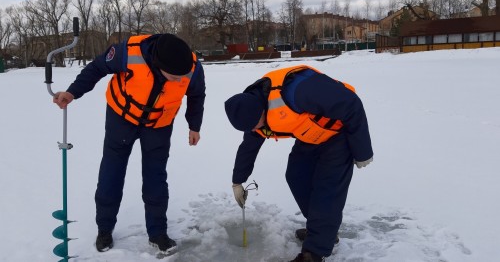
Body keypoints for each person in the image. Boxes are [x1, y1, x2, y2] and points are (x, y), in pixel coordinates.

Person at [53, 33, 206, 254]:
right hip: (121, 119)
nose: (177, 80)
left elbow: (197, 94)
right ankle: (104, 230)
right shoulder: (127, 53)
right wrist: (72, 92)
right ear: (158, 64)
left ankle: (157, 233)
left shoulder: (191, 66)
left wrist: (194, 126)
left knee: (156, 178)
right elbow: (96, 68)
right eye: (173, 76)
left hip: (159, 124)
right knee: (111, 174)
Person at [224, 65, 373, 262]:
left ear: (260, 109)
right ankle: (321, 231)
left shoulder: (297, 90)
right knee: (296, 175)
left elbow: (351, 103)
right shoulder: (252, 109)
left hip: (339, 135)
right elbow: (249, 146)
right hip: (311, 137)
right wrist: (237, 181)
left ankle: (314, 252)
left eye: (256, 124)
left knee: (326, 190)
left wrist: (362, 151)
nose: (256, 129)